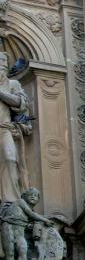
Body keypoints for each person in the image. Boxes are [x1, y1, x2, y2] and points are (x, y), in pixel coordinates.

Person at [0, 52, 31, 204]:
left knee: (10, 158)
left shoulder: (13, 84)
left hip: (5, 128)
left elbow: (21, 103)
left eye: (2, 68)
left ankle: (11, 201)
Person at [0, 187, 52, 260]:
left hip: (19, 231)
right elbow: (30, 213)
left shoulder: (31, 212)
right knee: (10, 251)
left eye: (35, 196)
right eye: (30, 195)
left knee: (23, 248)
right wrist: (45, 220)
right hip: (8, 226)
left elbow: (32, 216)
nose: (33, 197)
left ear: (38, 200)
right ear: (24, 196)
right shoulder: (20, 201)